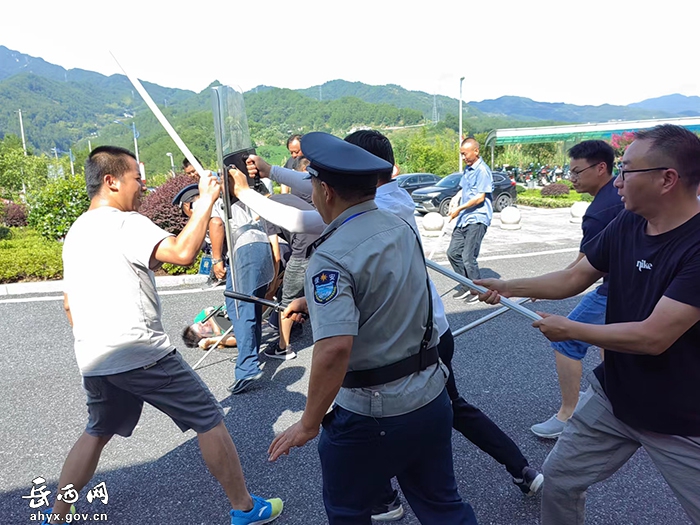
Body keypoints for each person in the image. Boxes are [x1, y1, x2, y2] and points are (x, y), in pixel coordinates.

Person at [234, 132, 544, 520]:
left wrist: (308, 423)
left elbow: (333, 350)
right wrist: (318, 305)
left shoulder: (331, 255)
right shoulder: (398, 223)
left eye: (312, 183)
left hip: (372, 411)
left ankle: (385, 499)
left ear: (326, 190)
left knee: (348, 510)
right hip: (428, 396)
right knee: (443, 507)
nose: (311, 191)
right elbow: (385, 292)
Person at [475, 124, 700, 525]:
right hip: (616, 398)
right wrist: (507, 285)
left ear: (668, 179)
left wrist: (571, 330)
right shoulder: (629, 222)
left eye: (627, 171)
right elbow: (574, 278)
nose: (617, 181)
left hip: (684, 417)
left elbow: (654, 337)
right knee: (559, 481)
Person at [50, 146, 282, 525]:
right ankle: (244, 509)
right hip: (140, 352)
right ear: (111, 181)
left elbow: (68, 303)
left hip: (94, 355)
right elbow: (183, 251)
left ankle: (59, 515)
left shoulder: (78, 231)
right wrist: (207, 199)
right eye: (136, 179)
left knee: (98, 430)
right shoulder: (126, 222)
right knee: (209, 418)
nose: (142, 187)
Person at [530, 140, 624, 439]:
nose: (571, 178)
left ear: (600, 168)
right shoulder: (619, 196)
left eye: (576, 171)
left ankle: (568, 414)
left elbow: (582, 268)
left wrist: (545, 287)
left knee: (566, 342)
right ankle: (615, 403)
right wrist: (543, 285)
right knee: (612, 343)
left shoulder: (601, 210)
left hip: (614, 289)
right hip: (634, 286)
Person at [261, 192, 319, 360]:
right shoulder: (283, 197)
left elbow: (276, 254)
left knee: (287, 299)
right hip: (323, 244)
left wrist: (272, 283)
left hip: (303, 253)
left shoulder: (266, 210)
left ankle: (283, 348)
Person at [447, 138, 493, 301]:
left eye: (465, 154)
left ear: (476, 151)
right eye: (461, 154)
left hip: (477, 218)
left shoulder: (482, 171)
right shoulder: (468, 170)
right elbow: (463, 190)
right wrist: (455, 199)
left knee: (468, 256)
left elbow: (480, 198)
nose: (463, 157)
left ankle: (479, 290)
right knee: (452, 253)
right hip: (464, 219)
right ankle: (467, 285)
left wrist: (459, 209)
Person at [180, 158, 228, 288]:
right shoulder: (200, 187)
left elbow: (216, 222)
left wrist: (217, 260)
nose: (192, 175)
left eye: (193, 171)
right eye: (188, 173)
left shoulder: (211, 181)